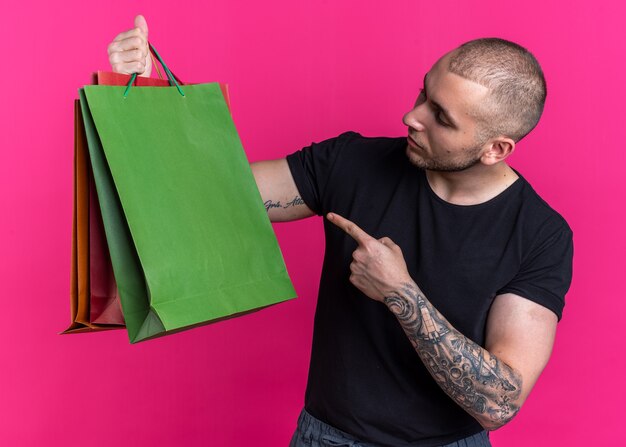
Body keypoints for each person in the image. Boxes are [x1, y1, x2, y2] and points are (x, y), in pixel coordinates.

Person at [107, 15, 573, 447]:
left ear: (495, 148)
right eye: (423, 95)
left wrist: (400, 292)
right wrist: (149, 92)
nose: (413, 117)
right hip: (327, 436)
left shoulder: (539, 234)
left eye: (442, 117)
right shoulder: (352, 163)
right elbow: (212, 193)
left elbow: (498, 403)